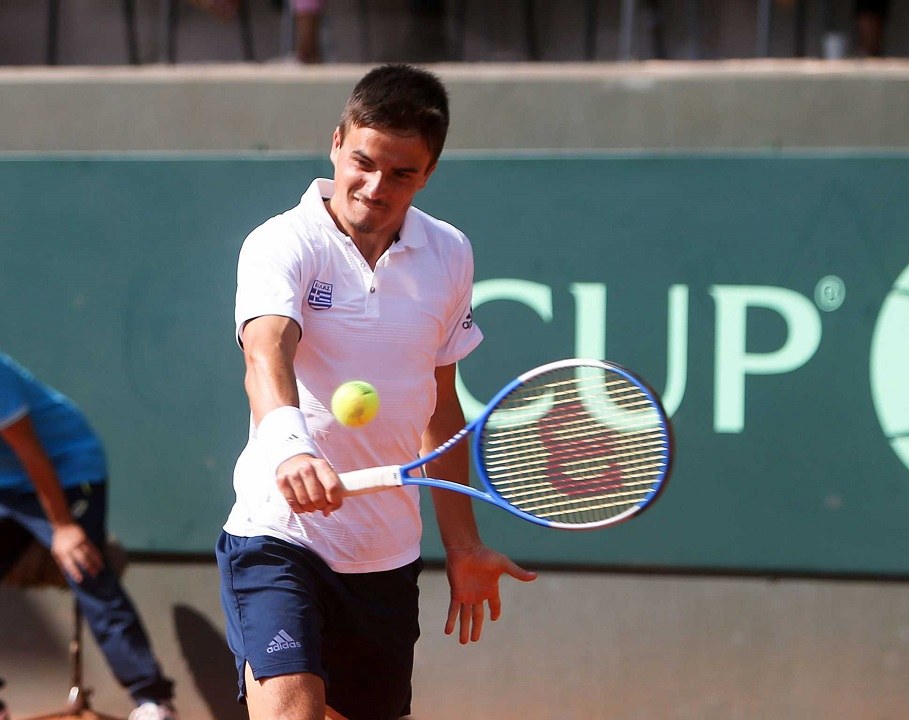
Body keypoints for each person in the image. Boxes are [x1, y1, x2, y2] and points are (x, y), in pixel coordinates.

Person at [216, 63, 538, 720]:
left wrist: (463, 544)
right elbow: (266, 350)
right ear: (337, 143)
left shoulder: (449, 253)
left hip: (384, 557)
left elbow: (439, 404)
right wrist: (290, 447)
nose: (374, 187)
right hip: (279, 538)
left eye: (401, 173)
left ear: (428, 173)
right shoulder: (280, 243)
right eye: (363, 163)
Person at [0, 352, 178, 720]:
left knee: (86, 570)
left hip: (66, 470)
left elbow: (32, 453)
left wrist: (64, 527)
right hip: (8, 485)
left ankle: (153, 699)